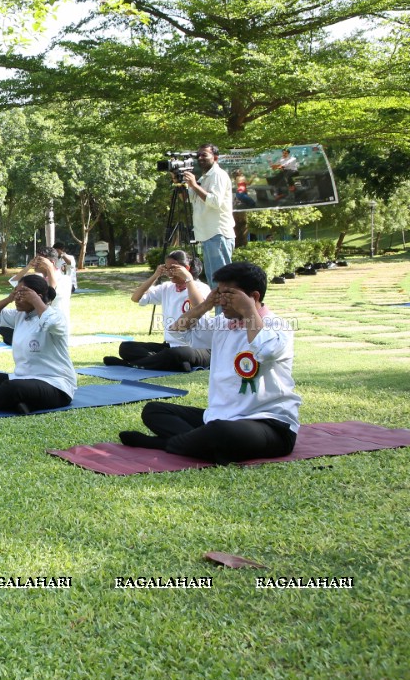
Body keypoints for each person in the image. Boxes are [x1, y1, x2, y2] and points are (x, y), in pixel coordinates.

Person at [119, 262, 301, 464]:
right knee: (154, 410)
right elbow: (176, 330)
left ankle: (165, 444)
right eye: (219, 293)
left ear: (254, 296)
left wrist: (249, 310)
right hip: (219, 417)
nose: (222, 301)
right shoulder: (223, 323)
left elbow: (265, 350)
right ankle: (199, 444)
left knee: (220, 432)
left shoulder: (278, 326)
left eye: (229, 295)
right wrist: (206, 305)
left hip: (268, 423)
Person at [0, 273, 75, 414]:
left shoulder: (56, 315)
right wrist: (9, 298)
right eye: (16, 292)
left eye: (21, 294)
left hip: (55, 385)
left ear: (37, 297)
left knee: (13, 387)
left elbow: (50, 323)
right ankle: (17, 404)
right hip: (22, 379)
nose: (17, 297)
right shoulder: (20, 315)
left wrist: (35, 300)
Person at [105, 250, 212, 372]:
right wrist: (155, 275)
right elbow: (136, 298)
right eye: (167, 269)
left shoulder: (201, 287)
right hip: (170, 345)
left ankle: (131, 365)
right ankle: (171, 364)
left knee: (176, 354)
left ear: (186, 268)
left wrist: (188, 278)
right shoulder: (167, 287)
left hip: (197, 348)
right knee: (126, 347)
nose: (170, 273)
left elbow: (199, 306)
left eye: (173, 268)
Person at [181, 144, 234, 301]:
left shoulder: (218, 175)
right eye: (198, 155)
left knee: (222, 283)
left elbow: (215, 201)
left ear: (215, 158)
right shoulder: (204, 177)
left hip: (218, 233)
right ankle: (221, 319)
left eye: (204, 155)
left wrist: (194, 185)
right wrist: (179, 182)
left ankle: (225, 319)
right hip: (206, 235)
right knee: (214, 283)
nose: (200, 158)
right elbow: (188, 198)